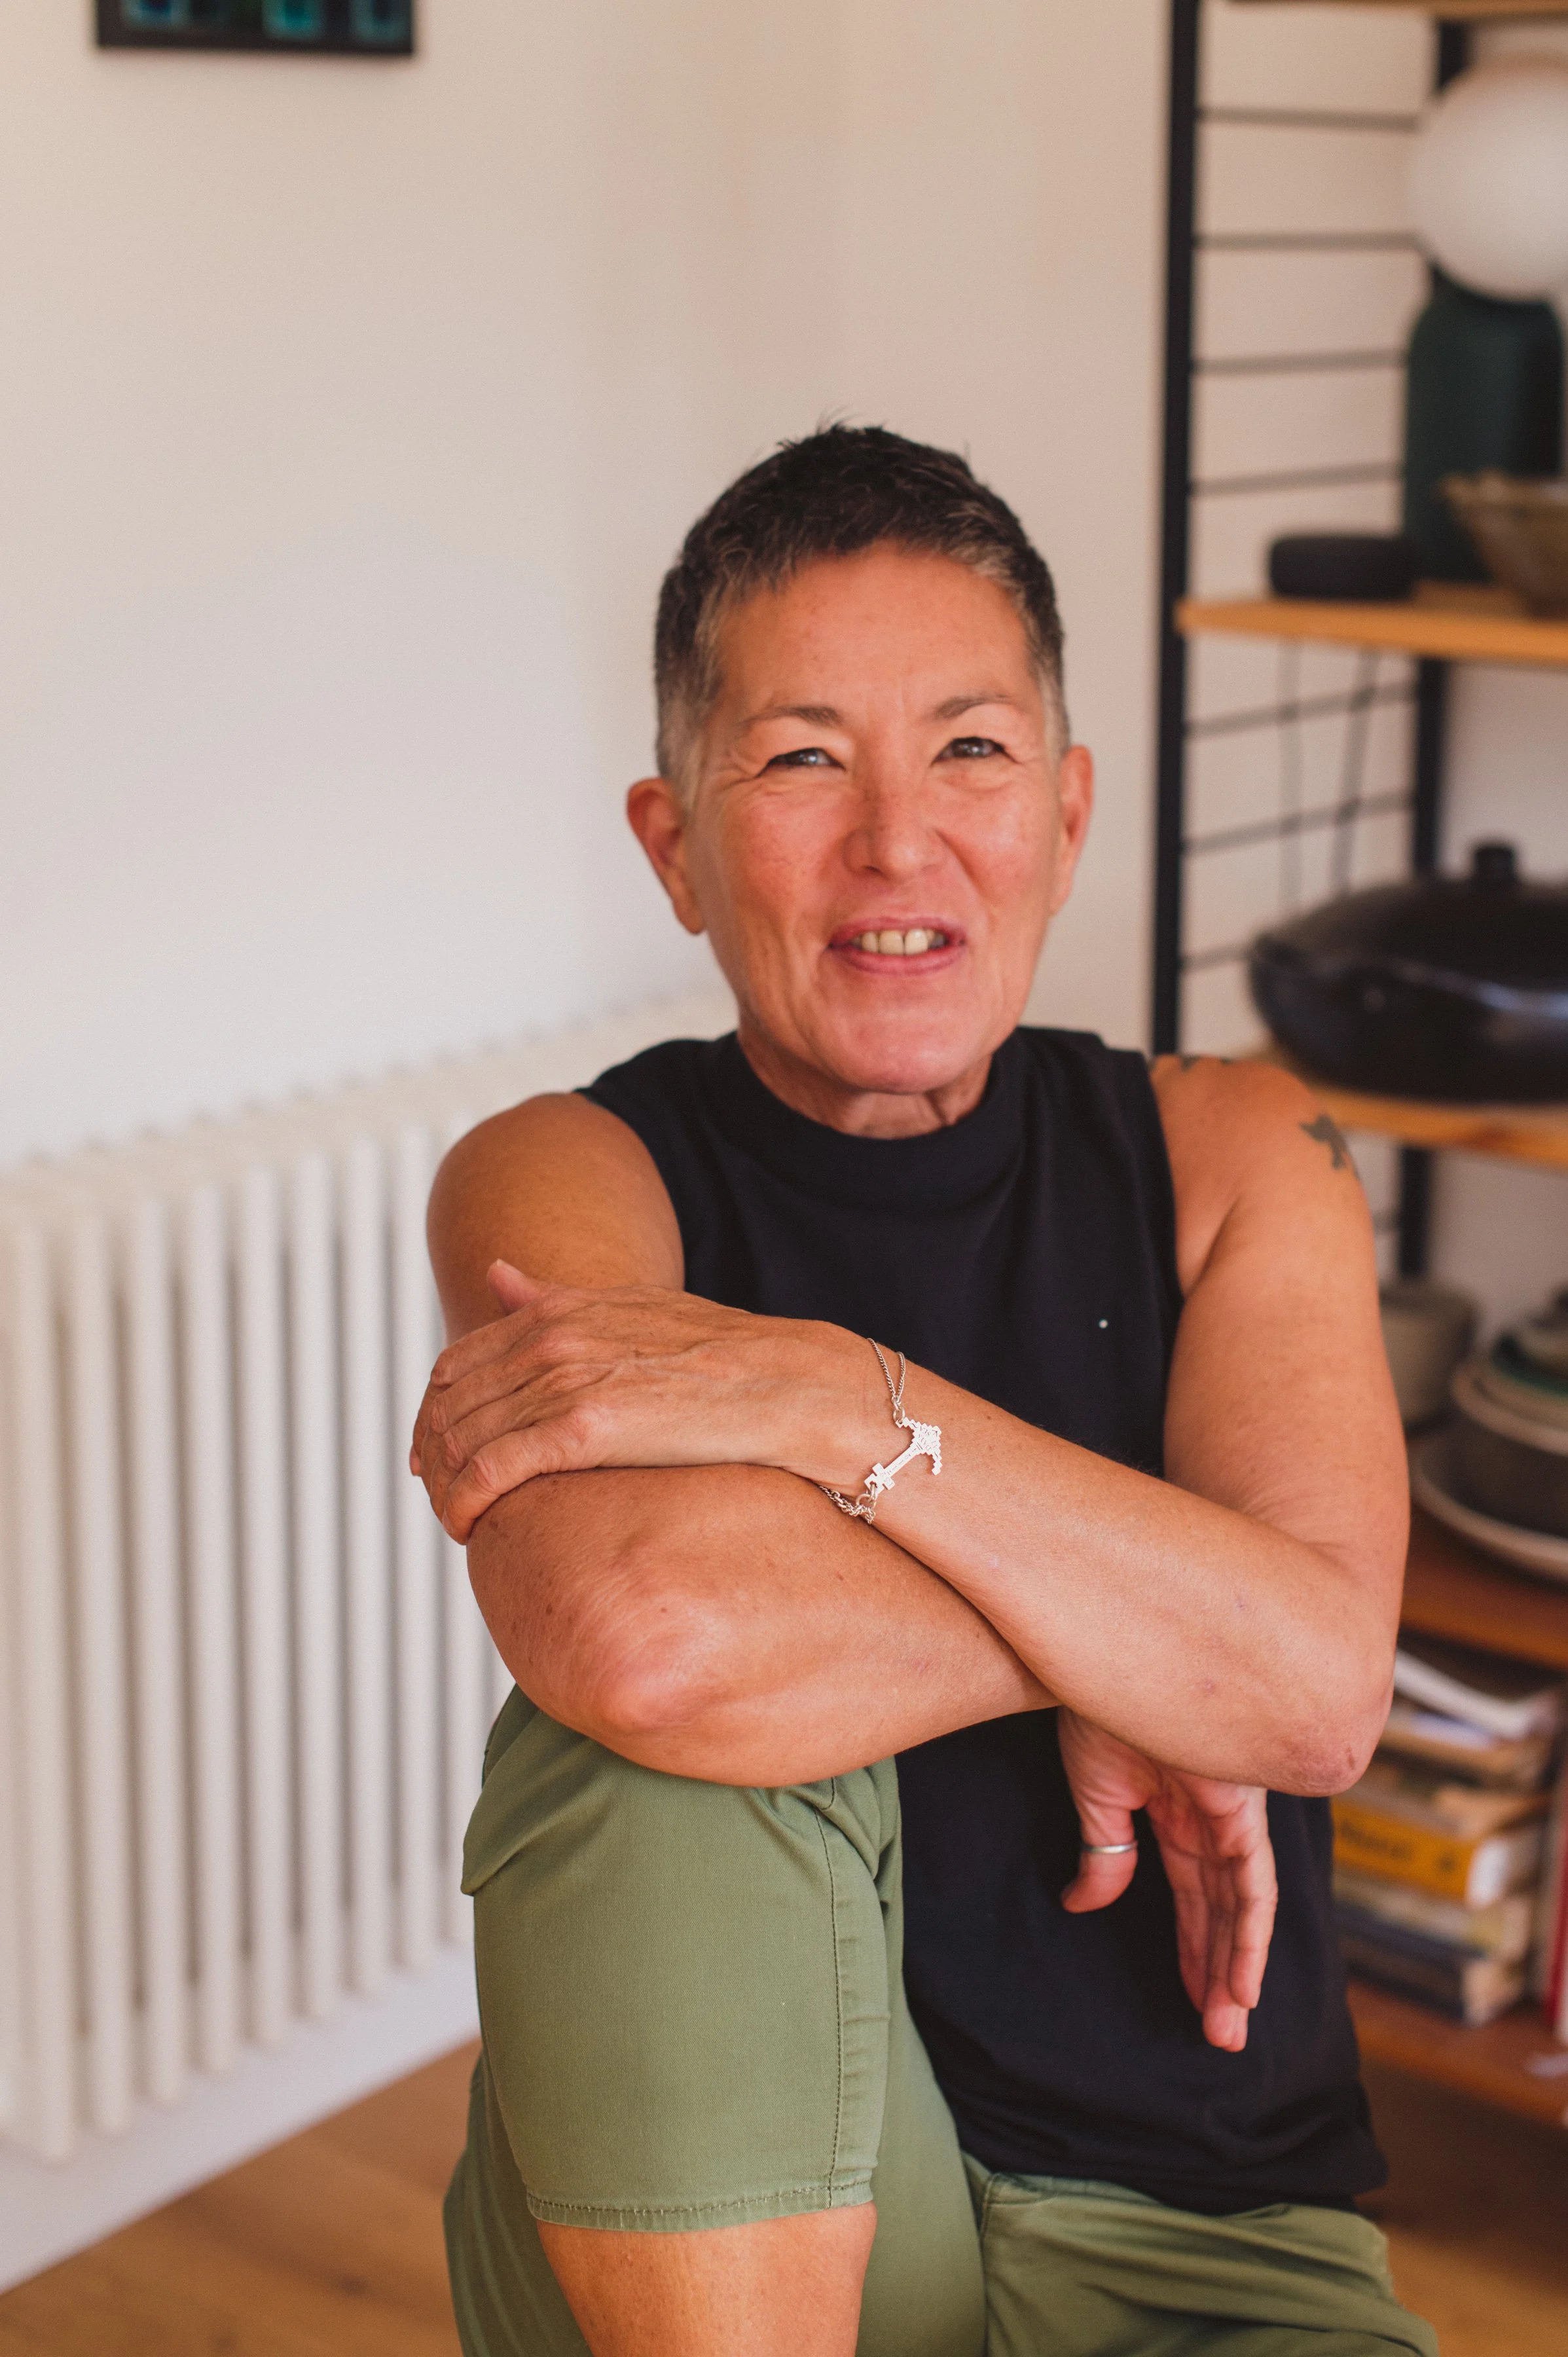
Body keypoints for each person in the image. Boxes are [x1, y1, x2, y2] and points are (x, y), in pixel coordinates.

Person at [412, 426, 1436, 2357]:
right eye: (803, 760)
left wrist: (827, 1399)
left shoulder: (1236, 1149)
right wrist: (1148, 1644)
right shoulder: (569, 1178)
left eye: (969, 749)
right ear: (674, 848)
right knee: (626, 1753)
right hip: (756, 2193)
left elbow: (1317, 1692)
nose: (898, 841)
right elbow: (647, 1630)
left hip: (1209, 2216)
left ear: (1066, 809)